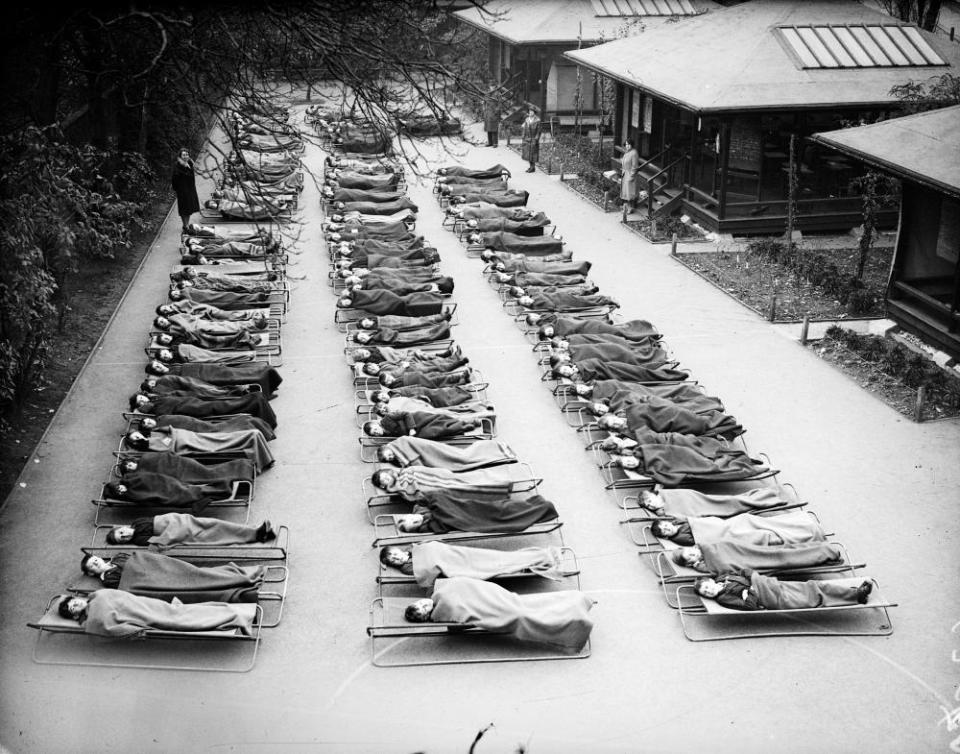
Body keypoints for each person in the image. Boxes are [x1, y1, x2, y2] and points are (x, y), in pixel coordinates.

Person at [403, 577, 595, 653]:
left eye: (420, 602)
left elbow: (469, 586)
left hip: (499, 599)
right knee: (523, 613)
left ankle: (573, 605)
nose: (424, 603)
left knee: (527, 604)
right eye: (424, 609)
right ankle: (574, 618)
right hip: (500, 610)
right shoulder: (443, 608)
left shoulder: (440, 591)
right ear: (427, 615)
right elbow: (465, 613)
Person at [80, 551, 264, 603]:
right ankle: (241, 592)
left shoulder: (118, 557)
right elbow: (130, 586)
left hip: (166, 570)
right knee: (192, 590)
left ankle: (237, 578)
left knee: (197, 574)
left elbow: (142, 559)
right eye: (92, 566)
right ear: (91, 573)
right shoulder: (107, 580)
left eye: (94, 559)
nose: (96, 563)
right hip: (157, 583)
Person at [57, 590, 257, 638]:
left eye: (73, 601)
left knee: (181, 612)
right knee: (181, 620)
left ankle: (239, 612)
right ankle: (238, 614)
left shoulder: (97, 595)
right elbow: (111, 628)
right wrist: (137, 630)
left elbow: (123, 596)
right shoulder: (91, 621)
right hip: (143, 617)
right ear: (75, 615)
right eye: (73, 608)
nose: (76, 604)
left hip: (146, 605)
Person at [380, 541, 564, 587]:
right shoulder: (408, 567)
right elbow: (428, 571)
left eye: (396, 554)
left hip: (460, 554)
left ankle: (542, 557)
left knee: (496, 557)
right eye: (394, 561)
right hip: (458, 565)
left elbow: (436, 547)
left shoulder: (414, 549)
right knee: (498, 564)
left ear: (399, 550)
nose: (398, 559)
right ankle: (543, 558)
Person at [694, 571, 874, 611]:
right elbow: (749, 606)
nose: (710, 591)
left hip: (774, 585)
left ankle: (855, 593)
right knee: (813, 597)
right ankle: (857, 596)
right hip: (773, 598)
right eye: (707, 593)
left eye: (708, 587)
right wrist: (750, 590)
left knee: (813, 585)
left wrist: (751, 581)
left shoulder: (722, 578)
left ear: (710, 581)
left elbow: (744, 572)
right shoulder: (723, 599)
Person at [650, 511, 825, 548]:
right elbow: (706, 535)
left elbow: (702, 521)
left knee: (750, 519)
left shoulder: (679, 525)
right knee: (764, 533)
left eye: (666, 526)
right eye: (665, 532)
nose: (668, 529)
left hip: (729, 523)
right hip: (728, 533)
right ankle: (807, 532)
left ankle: (801, 522)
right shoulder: (682, 538)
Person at [106, 514, 275, 549]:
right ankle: (256, 536)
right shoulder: (138, 540)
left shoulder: (137, 520)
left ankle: (256, 531)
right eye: (122, 539)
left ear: (122, 527)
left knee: (217, 523)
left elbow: (162, 518)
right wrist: (175, 527)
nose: (124, 535)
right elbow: (163, 539)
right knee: (217, 536)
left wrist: (175, 519)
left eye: (121, 532)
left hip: (184, 520)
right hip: (184, 531)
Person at [376, 436, 517, 471]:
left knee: (463, 458)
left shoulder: (401, 442)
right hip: (429, 459)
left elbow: (416, 452)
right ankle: (498, 454)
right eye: (388, 458)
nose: (390, 457)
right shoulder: (397, 458)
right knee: (461, 463)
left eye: (388, 454)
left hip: (433, 452)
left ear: (387, 447)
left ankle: (496, 450)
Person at [172, 148, 201, 231]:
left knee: (189, 208)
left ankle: (186, 225)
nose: (185, 156)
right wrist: (177, 189)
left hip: (190, 189)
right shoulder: (178, 165)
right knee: (183, 208)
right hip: (181, 190)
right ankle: (185, 225)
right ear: (180, 156)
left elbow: (192, 177)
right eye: (184, 155)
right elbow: (174, 178)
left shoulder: (190, 163)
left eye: (187, 155)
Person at [620, 138, 639, 211]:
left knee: (630, 192)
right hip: (625, 173)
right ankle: (626, 206)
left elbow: (634, 166)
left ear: (632, 145)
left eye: (629, 144)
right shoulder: (627, 152)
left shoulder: (634, 153)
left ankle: (631, 207)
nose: (627, 146)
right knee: (626, 191)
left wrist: (632, 176)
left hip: (630, 174)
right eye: (626, 144)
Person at [521, 106, 541, 173]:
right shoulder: (527, 119)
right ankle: (530, 167)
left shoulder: (537, 120)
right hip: (527, 138)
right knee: (528, 154)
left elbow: (539, 131)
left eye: (532, 111)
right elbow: (524, 129)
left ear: (534, 113)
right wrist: (523, 137)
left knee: (533, 154)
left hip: (533, 138)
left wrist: (536, 139)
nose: (530, 112)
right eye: (529, 111)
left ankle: (533, 168)